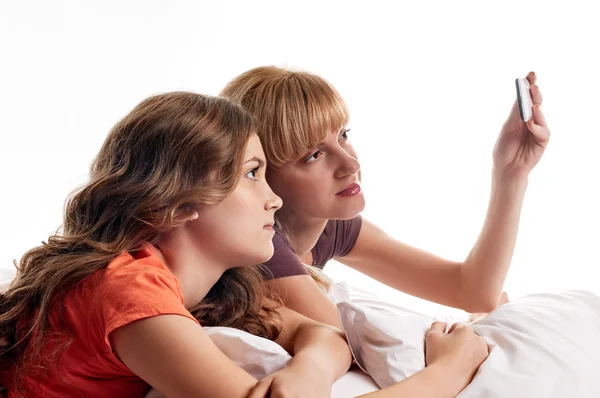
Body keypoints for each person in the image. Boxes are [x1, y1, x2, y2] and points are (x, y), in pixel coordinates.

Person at [0, 91, 488, 398]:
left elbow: (323, 334)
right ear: (179, 204)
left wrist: (311, 374)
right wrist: (450, 370)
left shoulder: (212, 290)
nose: (273, 199)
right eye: (252, 175)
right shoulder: (129, 293)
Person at [221, 66, 549, 329]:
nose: (351, 164)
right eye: (314, 155)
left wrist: (512, 173)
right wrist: (466, 333)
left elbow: (473, 291)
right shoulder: (262, 250)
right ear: (260, 174)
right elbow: (351, 342)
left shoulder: (331, 227)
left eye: (343, 135)